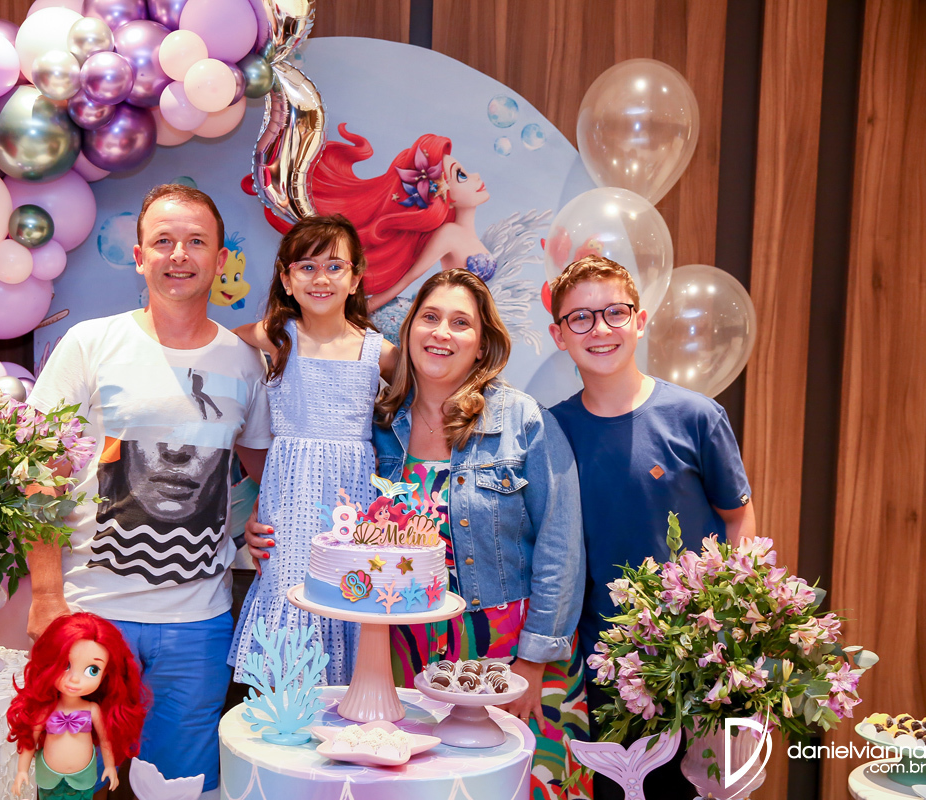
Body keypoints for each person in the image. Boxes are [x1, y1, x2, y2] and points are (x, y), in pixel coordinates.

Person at [246, 269, 590, 798]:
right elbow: (333, 512)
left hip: (506, 647)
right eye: (430, 317)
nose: (442, 333)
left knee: (517, 784)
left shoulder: (522, 420)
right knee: (421, 787)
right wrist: (264, 522)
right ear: (407, 333)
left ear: (482, 344)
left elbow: (561, 546)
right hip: (403, 652)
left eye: (461, 323)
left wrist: (533, 661)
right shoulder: (379, 426)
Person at [25, 184, 271, 794]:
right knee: (72, 781)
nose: (179, 254)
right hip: (91, 614)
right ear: (140, 257)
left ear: (220, 259)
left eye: (196, 241)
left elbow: (267, 468)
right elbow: (37, 475)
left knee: (183, 785)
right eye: (163, 241)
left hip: (199, 624)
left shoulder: (243, 364)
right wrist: (47, 593)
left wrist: (262, 521)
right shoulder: (90, 344)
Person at [546, 254, 756, 799]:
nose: (600, 329)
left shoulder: (696, 416)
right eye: (580, 317)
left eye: (614, 312)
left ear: (639, 321)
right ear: (558, 335)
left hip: (701, 657)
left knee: (700, 787)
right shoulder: (553, 430)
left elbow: (738, 516)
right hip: (607, 663)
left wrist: (735, 621)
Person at [228, 215, 396, 686]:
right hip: (291, 499)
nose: (321, 278)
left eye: (334, 266)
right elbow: (221, 354)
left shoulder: (378, 352)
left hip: (351, 500)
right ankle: (285, 710)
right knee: (290, 591)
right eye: (307, 266)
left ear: (356, 278)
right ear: (286, 278)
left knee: (349, 593)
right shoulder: (275, 337)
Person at [311, 125, 495, 310]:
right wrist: (357, 312)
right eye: (461, 175)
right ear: (445, 197)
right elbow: (408, 278)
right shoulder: (449, 234)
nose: (477, 176)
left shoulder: (478, 237)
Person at [8, 613, 146, 799]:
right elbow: (29, 741)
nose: (74, 679)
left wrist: (110, 766)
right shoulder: (46, 710)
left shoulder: (92, 710)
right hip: (49, 777)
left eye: (92, 670)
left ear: (106, 674)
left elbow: (106, 740)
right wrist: (22, 771)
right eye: (65, 665)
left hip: (84, 778)